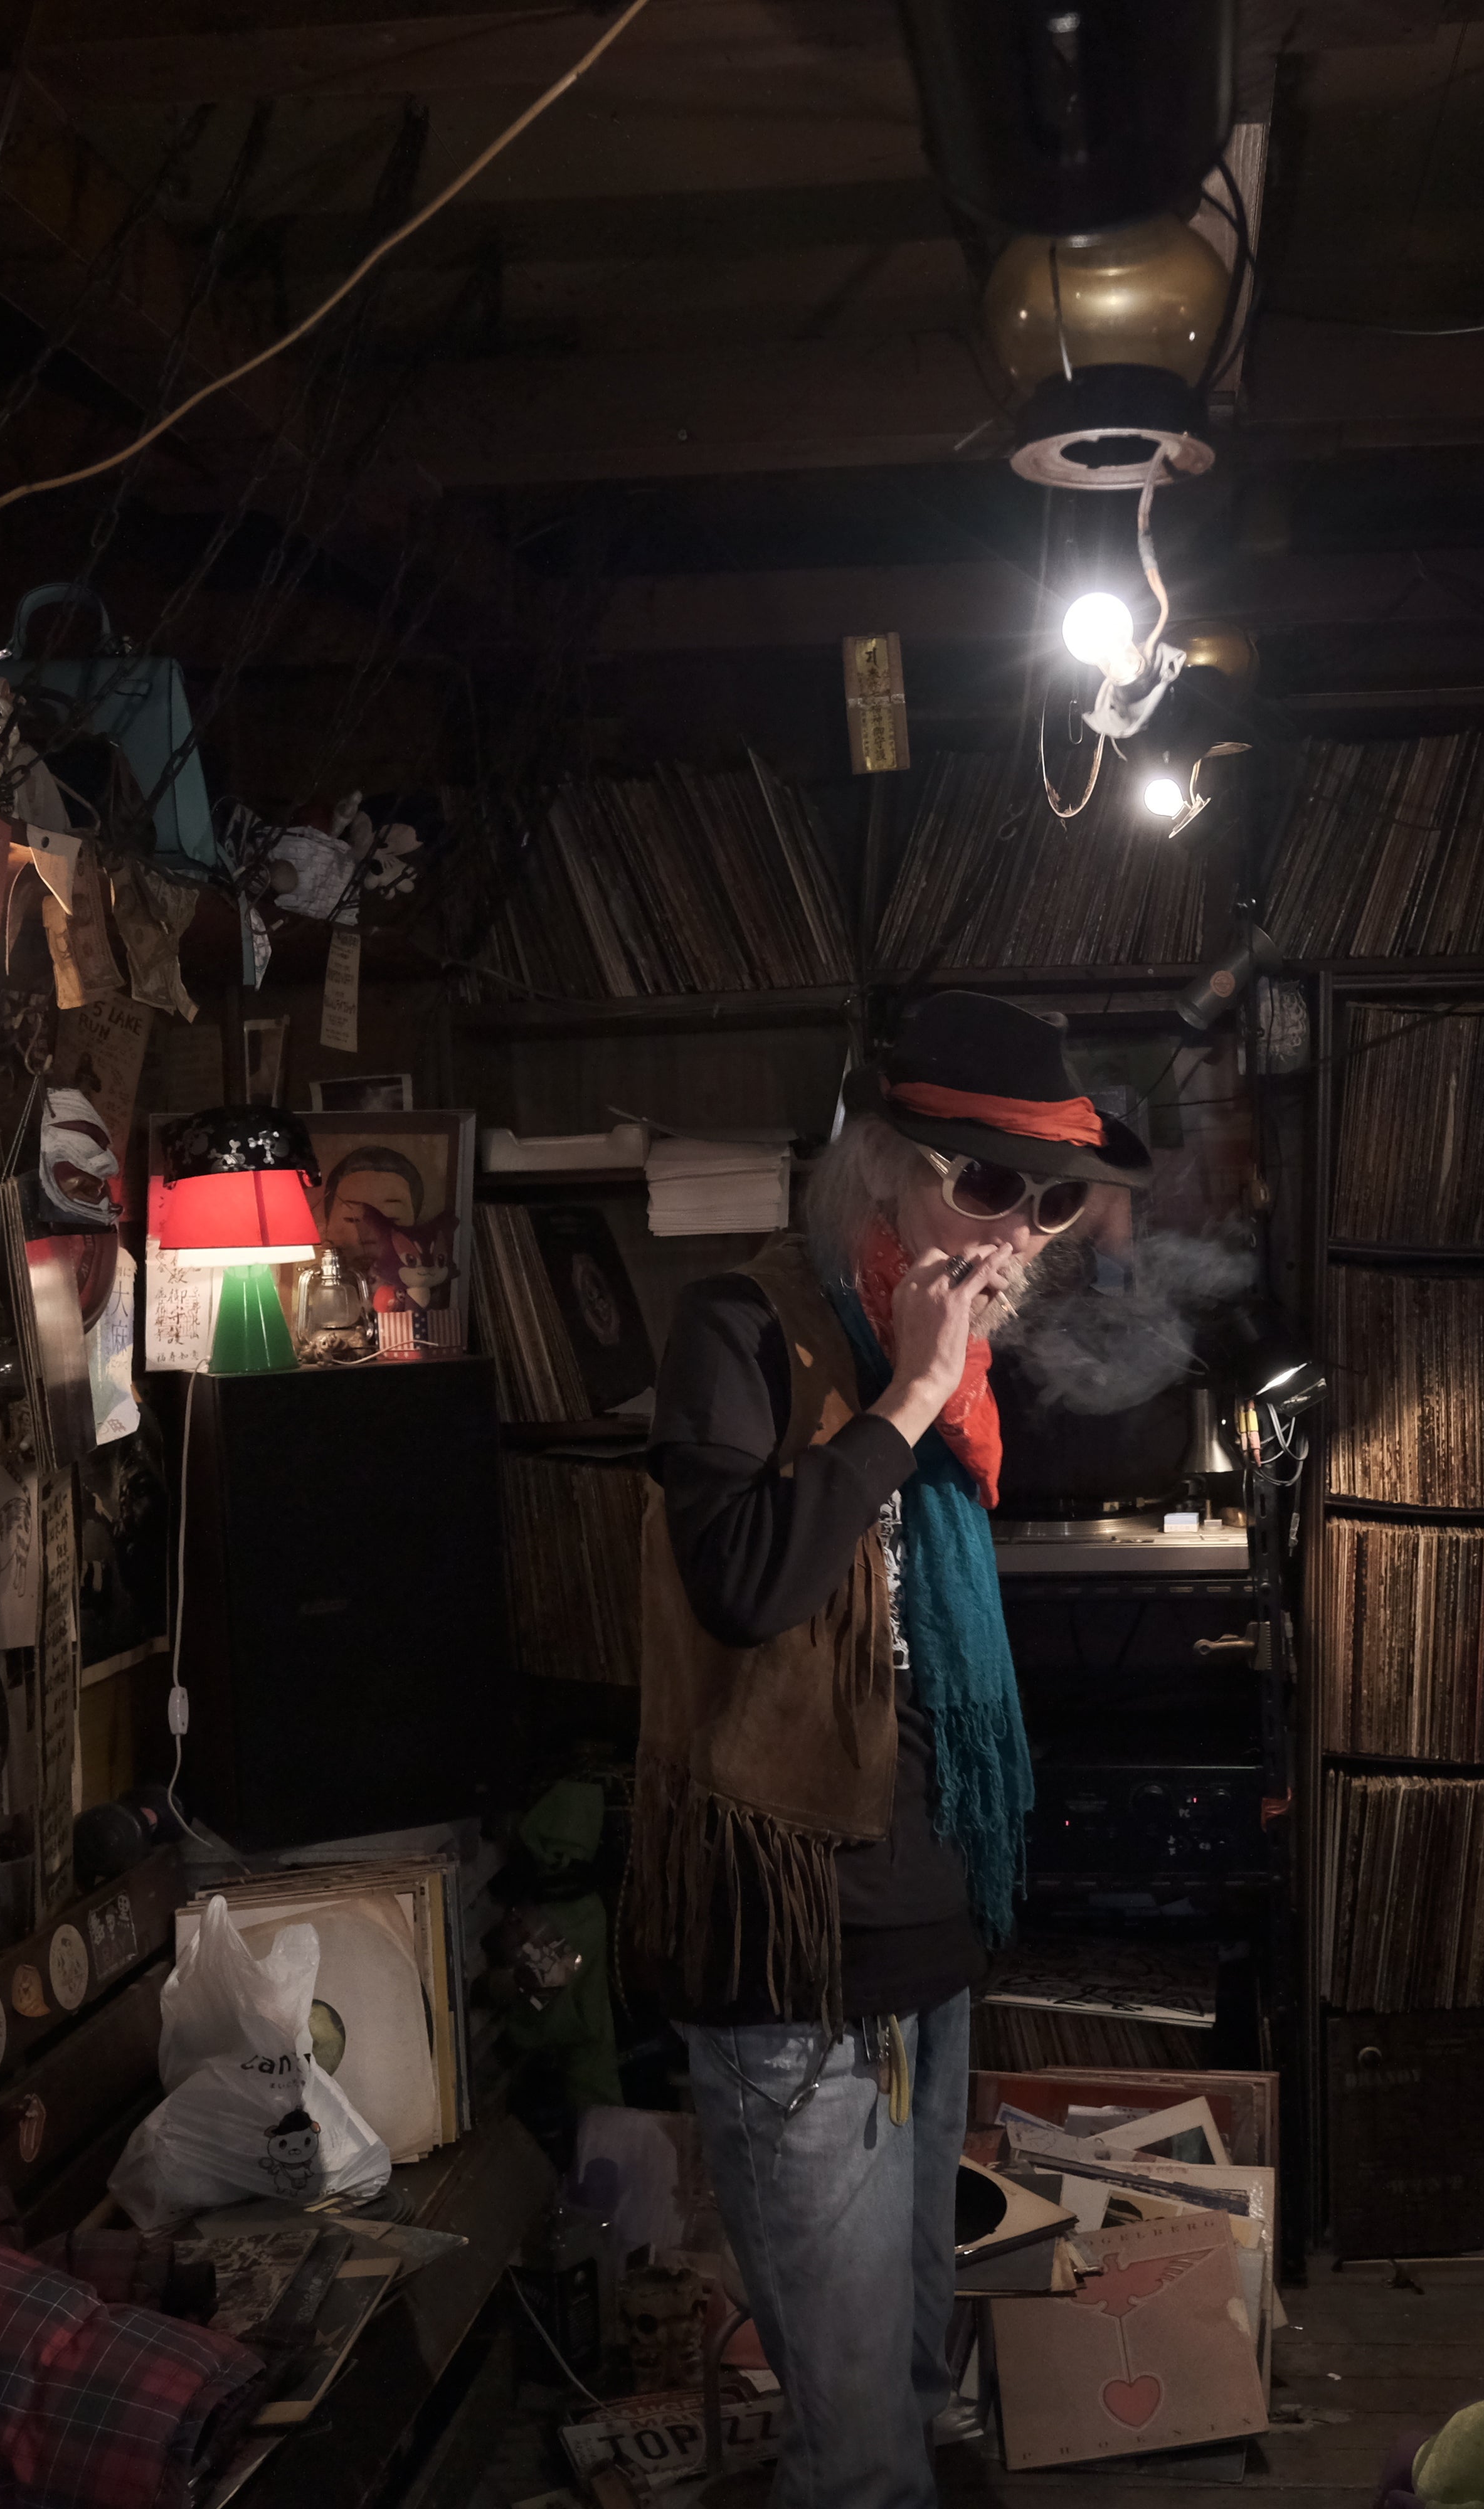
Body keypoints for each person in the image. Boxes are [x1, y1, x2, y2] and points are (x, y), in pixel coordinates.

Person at [636, 990, 1147, 2509]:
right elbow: (744, 1582)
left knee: (915, 2394)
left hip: (924, 1940)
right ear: (879, 1168)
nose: (1019, 1233)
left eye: (1050, 1200)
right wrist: (910, 1394)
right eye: (986, 1184)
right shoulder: (743, 1329)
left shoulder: (964, 1371)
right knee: (857, 2444)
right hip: (800, 1956)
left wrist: (946, 1377)